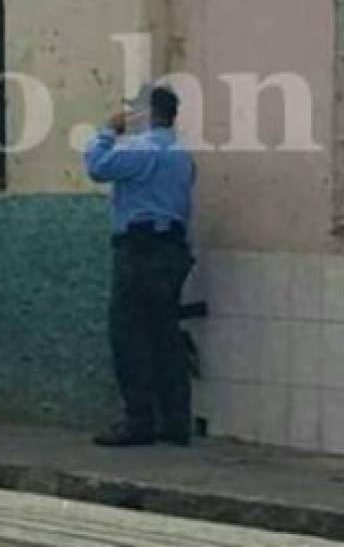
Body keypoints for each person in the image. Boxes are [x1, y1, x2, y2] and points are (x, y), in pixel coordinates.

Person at [84, 84, 196, 447]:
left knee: (129, 335)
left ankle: (139, 420)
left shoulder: (142, 148)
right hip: (172, 249)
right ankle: (176, 421)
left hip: (140, 250)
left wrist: (107, 131)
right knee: (165, 336)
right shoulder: (181, 154)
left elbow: (97, 167)